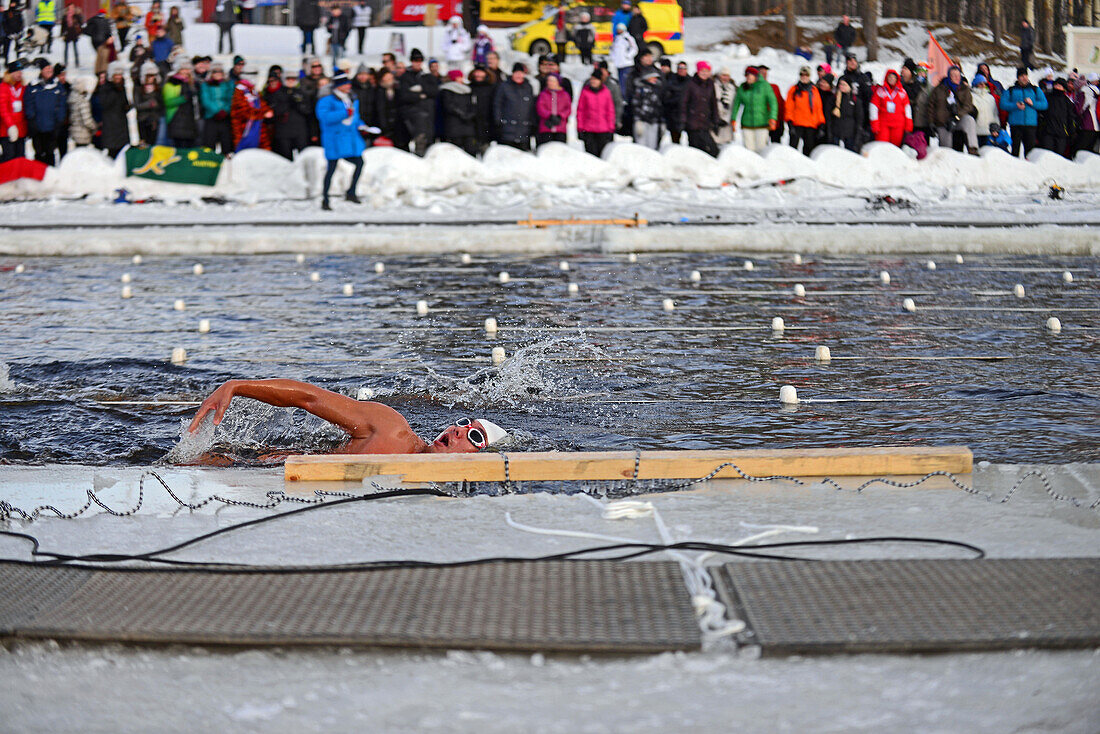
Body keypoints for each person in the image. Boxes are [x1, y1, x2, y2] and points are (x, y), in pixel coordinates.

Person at [188, 379, 509, 455]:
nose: (458, 430)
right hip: (262, 469)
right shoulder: (390, 430)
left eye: (474, 437)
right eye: (464, 423)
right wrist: (237, 386)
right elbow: (310, 399)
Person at [316, 71, 366, 210]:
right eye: (345, 84)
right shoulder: (326, 100)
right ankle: (325, 199)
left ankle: (351, 191)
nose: (348, 86)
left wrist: (361, 124)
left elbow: (355, 117)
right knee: (331, 169)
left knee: (360, 163)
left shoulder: (351, 98)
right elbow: (324, 117)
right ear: (338, 86)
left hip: (350, 139)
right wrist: (344, 113)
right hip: (335, 140)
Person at [396, 48, 437, 156]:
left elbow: (434, 91)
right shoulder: (405, 77)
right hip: (412, 115)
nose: (417, 63)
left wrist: (420, 90)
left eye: (419, 60)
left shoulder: (427, 76)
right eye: (415, 60)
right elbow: (404, 96)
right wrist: (421, 95)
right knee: (416, 141)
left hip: (427, 115)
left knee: (427, 141)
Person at [25, 59, 66, 165]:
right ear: (41, 71)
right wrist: (32, 120)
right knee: (38, 153)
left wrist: (59, 121)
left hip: (52, 127)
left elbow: (61, 105)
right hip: (37, 127)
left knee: (50, 153)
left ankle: (49, 176)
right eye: (46, 68)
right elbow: (28, 104)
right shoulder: (33, 86)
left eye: (50, 68)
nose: (49, 70)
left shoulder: (57, 86)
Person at [1000, 67, 1046, 158]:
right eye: (1021, 76)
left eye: (1025, 75)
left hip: (1031, 125)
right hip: (1015, 125)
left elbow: (1044, 104)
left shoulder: (1035, 89)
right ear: (1018, 78)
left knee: (1030, 152)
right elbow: (1003, 104)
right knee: (1015, 150)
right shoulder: (1011, 90)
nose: (1024, 78)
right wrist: (1015, 105)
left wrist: (1033, 103)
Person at [730, 66, 776, 154]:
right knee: (749, 150)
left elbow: (773, 103)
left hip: (762, 123)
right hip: (747, 123)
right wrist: (733, 119)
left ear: (756, 76)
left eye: (751, 75)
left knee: (761, 149)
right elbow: (736, 104)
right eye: (747, 75)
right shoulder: (742, 87)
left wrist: (772, 118)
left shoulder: (765, 86)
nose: (748, 77)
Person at [929, 65, 976, 153]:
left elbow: (968, 106)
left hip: (958, 119)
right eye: (954, 75)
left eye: (958, 75)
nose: (957, 78)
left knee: (969, 120)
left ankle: (973, 148)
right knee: (946, 150)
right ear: (949, 76)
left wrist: (956, 117)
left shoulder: (964, 89)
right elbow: (931, 106)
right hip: (943, 123)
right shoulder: (939, 89)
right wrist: (931, 122)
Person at [265, 71, 310, 159]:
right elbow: (273, 112)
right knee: (285, 157)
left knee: (303, 156)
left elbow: (308, 111)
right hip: (283, 131)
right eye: (288, 78)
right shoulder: (277, 94)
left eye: (293, 79)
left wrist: (298, 103)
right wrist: (287, 102)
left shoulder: (301, 93)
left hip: (299, 131)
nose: (291, 81)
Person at [494, 61, 534, 151]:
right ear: (512, 73)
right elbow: (497, 104)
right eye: (516, 73)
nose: (519, 76)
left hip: (524, 130)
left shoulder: (528, 87)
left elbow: (531, 107)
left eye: (521, 73)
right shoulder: (504, 86)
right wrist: (498, 120)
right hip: (507, 129)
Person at [681, 60, 718, 157]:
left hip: (705, 122)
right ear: (698, 71)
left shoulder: (710, 84)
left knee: (712, 149)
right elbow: (683, 103)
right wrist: (683, 120)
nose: (705, 73)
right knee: (695, 150)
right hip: (692, 123)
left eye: (707, 71)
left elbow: (713, 103)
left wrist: (715, 120)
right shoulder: (690, 84)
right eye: (702, 71)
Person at [231, 69, 273, 152]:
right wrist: (262, 114)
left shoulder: (254, 90)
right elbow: (242, 111)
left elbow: (261, 103)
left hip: (257, 127)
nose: (254, 78)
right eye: (251, 74)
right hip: (244, 129)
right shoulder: (239, 90)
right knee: (243, 151)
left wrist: (267, 110)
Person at [786, 65, 825, 154]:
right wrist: (789, 122)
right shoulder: (794, 89)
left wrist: (821, 123)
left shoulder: (814, 90)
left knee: (809, 149)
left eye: (806, 75)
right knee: (793, 149)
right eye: (802, 75)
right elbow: (789, 107)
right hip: (797, 123)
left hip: (811, 125)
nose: (804, 77)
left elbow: (818, 108)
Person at [95, 61, 131, 157]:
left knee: (122, 153)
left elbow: (124, 103)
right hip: (111, 127)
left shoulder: (122, 87)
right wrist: (114, 90)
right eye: (116, 75)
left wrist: (128, 106)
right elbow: (104, 104)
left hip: (121, 126)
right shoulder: (105, 88)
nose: (119, 77)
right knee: (112, 154)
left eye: (120, 74)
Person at [576, 70, 615, 156]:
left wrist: (611, 128)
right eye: (592, 79)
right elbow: (580, 111)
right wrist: (580, 128)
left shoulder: (606, 92)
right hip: (588, 129)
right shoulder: (585, 92)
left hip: (603, 129)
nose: (593, 81)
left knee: (603, 153)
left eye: (596, 79)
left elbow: (610, 111)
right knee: (590, 154)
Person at [163, 58, 199, 148]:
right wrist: (183, 98)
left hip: (190, 121)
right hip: (177, 119)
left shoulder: (192, 83)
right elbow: (168, 102)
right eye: (184, 69)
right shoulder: (171, 83)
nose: (186, 72)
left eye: (188, 69)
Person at [438, 68, 475, 155]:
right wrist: (461, 114)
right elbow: (448, 106)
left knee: (471, 150)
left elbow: (472, 105)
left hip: (467, 125)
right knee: (456, 151)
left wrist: (470, 114)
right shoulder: (446, 90)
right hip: (453, 126)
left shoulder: (468, 90)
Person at [199, 62, 233, 153]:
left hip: (225, 117)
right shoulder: (205, 85)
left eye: (220, 71)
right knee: (209, 143)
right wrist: (216, 111)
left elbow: (231, 99)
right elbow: (205, 100)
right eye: (215, 71)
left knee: (226, 143)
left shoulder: (228, 84)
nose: (218, 73)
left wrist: (225, 110)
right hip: (211, 117)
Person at [1039, 78, 1076, 158]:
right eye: (1056, 85)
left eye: (1059, 86)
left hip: (1061, 133)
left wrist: (1072, 132)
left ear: (1064, 88)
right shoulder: (1047, 97)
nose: (1057, 87)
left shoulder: (1067, 101)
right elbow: (1041, 112)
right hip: (1048, 131)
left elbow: (1070, 117)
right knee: (1047, 154)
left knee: (1059, 155)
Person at [0, 59, 28, 162]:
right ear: (10, 73)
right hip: (7, 130)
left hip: (21, 130)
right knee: (9, 157)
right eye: (17, 72)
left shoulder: (23, 87)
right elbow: (3, 109)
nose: (19, 74)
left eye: (20, 72)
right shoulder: (3, 87)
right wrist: (11, 126)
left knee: (20, 157)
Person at [631, 67, 662, 150]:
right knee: (641, 147)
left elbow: (659, 106)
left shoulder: (657, 89)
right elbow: (635, 105)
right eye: (653, 77)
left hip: (654, 122)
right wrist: (638, 121)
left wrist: (661, 121)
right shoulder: (640, 89)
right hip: (642, 121)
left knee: (652, 146)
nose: (655, 79)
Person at [535, 72, 569, 147]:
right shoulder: (543, 94)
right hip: (546, 127)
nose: (550, 83)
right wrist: (549, 116)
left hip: (560, 127)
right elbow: (540, 107)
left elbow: (568, 109)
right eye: (549, 81)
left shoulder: (565, 94)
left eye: (553, 81)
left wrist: (560, 116)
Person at [133, 62, 163, 146]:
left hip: (155, 120)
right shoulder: (138, 88)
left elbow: (161, 103)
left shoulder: (158, 88)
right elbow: (136, 105)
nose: (152, 78)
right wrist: (149, 104)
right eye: (149, 75)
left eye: (153, 75)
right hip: (143, 120)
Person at [829, 77, 862, 151]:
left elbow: (859, 118)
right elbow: (829, 116)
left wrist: (857, 134)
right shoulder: (833, 98)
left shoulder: (855, 100)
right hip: (836, 131)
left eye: (844, 85)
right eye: (840, 84)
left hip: (850, 132)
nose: (841, 86)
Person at [756, 65, 784, 145]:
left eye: (765, 73)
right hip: (761, 123)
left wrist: (781, 122)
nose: (764, 74)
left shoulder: (774, 87)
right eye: (761, 73)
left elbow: (781, 105)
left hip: (775, 123)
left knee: (775, 147)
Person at [662, 59, 688, 144]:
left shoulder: (690, 81)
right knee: (675, 137)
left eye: (684, 68)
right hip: (673, 114)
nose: (681, 70)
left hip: (687, 113)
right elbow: (666, 96)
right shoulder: (671, 80)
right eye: (679, 68)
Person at [970, 74, 999, 148]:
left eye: (984, 83)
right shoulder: (971, 96)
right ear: (976, 84)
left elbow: (995, 113)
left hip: (989, 131)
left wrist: (996, 126)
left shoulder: (990, 97)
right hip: (976, 131)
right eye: (980, 83)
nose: (982, 85)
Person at [68, 75, 97, 148]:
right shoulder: (83, 102)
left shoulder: (72, 98)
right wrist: (95, 127)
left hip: (75, 132)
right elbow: (87, 121)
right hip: (83, 134)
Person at [1074, 72, 1099, 154]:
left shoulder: (1085, 91)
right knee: (1090, 150)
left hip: (1087, 123)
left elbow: (1080, 108)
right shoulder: (1097, 92)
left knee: (1080, 149)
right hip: (1097, 125)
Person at [610, 23, 636, 100]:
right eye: (618, 29)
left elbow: (634, 49)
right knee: (621, 83)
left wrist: (628, 56)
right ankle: (622, 97)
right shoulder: (616, 38)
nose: (619, 30)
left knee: (626, 83)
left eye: (620, 29)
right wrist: (612, 57)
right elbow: (613, 50)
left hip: (626, 64)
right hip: (618, 64)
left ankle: (626, 98)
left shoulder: (628, 38)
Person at [712, 67, 735, 145]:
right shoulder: (713, 86)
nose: (725, 78)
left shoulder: (732, 88)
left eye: (727, 76)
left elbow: (733, 106)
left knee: (726, 144)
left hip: (727, 122)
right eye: (723, 75)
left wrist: (726, 119)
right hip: (714, 121)